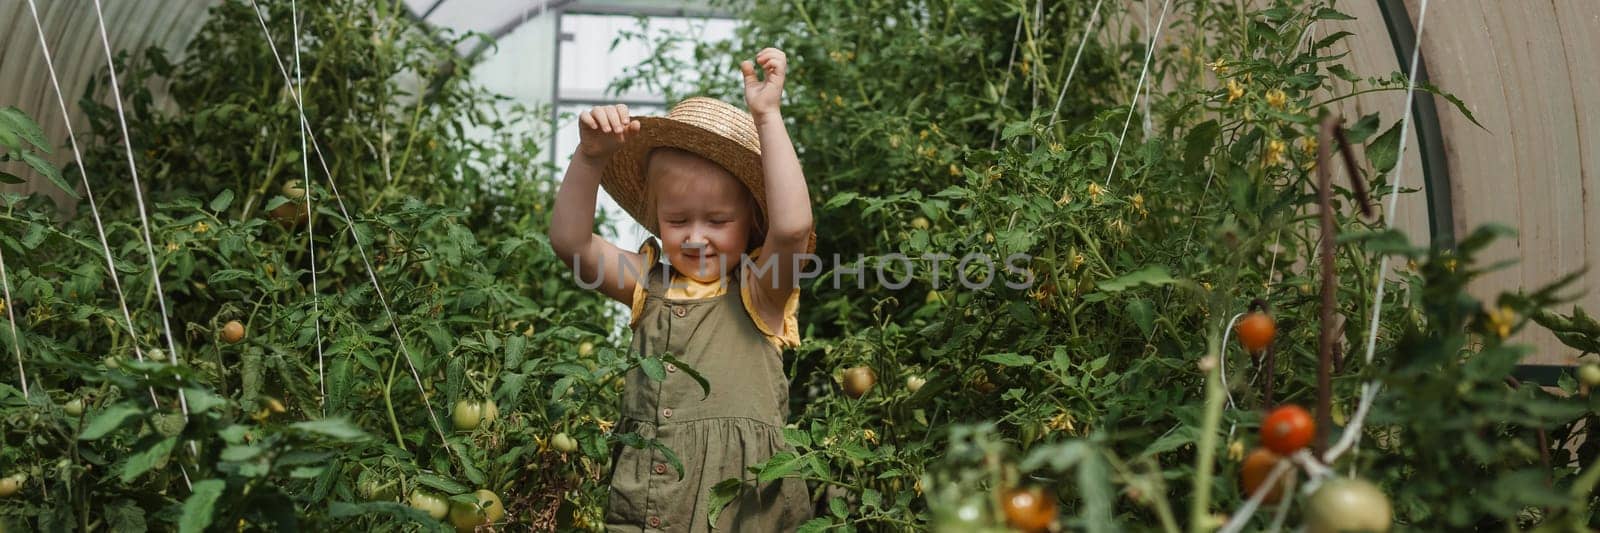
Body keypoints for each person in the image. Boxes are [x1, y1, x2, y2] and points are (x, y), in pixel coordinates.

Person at [547, 47, 817, 532]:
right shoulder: (647, 283)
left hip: (744, 511)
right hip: (650, 502)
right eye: (676, 220)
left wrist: (768, 116)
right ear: (655, 217)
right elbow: (571, 243)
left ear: (753, 222)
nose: (695, 236)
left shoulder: (761, 291)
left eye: (717, 220)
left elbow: (794, 228)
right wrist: (590, 156)